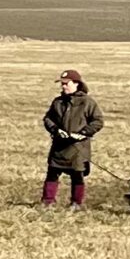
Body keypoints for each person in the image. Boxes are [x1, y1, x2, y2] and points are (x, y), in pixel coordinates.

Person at [41, 69, 104, 208]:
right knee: (52, 174)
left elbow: (98, 121)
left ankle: (76, 203)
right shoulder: (58, 102)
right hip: (59, 146)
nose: (63, 86)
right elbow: (47, 119)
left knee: (77, 176)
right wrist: (55, 130)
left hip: (78, 148)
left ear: (76, 84)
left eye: (66, 83)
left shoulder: (88, 102)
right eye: (62, 84)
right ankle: (47, 202)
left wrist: (84, 133)